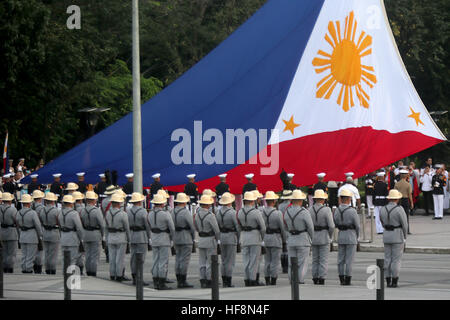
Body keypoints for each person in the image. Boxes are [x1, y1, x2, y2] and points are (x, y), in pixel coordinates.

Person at [283, 190, 314, 285]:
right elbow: (310, 227)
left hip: (291, 239)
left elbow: (285, 227)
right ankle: (299, 280)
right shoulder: (304, 212)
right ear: (300, 200)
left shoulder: (287, 212)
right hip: (303, 239)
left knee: (291, 263)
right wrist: (311, 239)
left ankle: (292, 279)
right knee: (302, 263)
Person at [380, 189, 408, 288]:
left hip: (386, 235)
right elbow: (405, 225)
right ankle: (394, 280)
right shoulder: (399, 209)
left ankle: (387, 280)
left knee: (387, 258)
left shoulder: (383, 209)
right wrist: (405, 237)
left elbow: (381, 221)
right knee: (396, 260)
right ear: (397, 199)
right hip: (397, 235)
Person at [237, 191, 266, 286]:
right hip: (255, 237)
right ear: (252, 201)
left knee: (246, 260)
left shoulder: (240, 212)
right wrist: (262, 238)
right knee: (254, 260)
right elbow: (263, 227)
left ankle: (246, 279)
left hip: (244, 237)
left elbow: (238, 226)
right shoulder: (256, 212)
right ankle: (252, 280)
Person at [148, 193, 175, 289]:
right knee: (163, 261)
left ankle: (155, 280)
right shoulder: (165, 214)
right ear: (162, 204)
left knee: (155, 260)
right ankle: (161, 282)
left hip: (154, 238)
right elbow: (172, 228)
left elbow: (149, 226)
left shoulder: (150, 214)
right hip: (164, 238)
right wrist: (172, 239)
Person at [334, 189, 360, 286]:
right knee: (349, 260)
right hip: (351, 235)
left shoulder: (337, 210)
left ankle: (341, 278)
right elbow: (357, 226)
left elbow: (335, 223)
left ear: (341, 199)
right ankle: (348, 279)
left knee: (340, 259)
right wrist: (357, 237)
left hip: (341, 235)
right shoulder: (352, 211)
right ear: (349, 199)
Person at [194, 194, 220, 289]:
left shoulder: (196, 215)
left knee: (201, 261)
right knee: (209, 262)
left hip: (201, 239)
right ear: (208, 205)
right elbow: (216, 230)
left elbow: (196, 227)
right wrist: (217, 240)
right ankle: (209, 280)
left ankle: (202, 280)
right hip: (210, 239)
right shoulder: (210, 216)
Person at [309, 189, 335, 285]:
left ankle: (315, 277)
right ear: (323, 199)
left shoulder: (310, 209)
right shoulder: (326, 210)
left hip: (313, 236)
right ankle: (322, 277)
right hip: (324, 236)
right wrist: (330, 236)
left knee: (315, 259)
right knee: (323, 259)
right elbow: (331, 226)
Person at [261, 191, 286, 286]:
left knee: (267, 260)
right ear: (274, 201)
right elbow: (282, 228)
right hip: (276, 238)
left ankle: (267, 278)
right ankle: (273, 279)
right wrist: (284, 240)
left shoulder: (262, 212)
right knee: (275, 261)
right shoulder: (278, 213)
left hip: (266, 238)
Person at [171, 192, 195, 288]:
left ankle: (178, 279)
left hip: (176, 236)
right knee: (184, 260)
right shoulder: (185, 212)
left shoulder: (173, 211)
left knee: (178, 259)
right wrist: (192, 237)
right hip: (185, 237)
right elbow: (192, 227)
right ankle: (183, 280)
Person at [105, 192, 130, 282]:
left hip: (111, 237)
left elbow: (106, 226)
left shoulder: (108, 213)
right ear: (119, 203)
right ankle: (119, 275)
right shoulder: (123, 214)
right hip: (121, 237)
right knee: (120, 259)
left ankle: (112, 274)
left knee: (112, 258)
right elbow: (127, 228)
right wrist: (129, 239)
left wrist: (106, 238)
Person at [216, 192, 240, 287]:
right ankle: (228, 281)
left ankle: (224, 279)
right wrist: (238, 239)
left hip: (222, 237)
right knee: (230, 261)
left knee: (224, 260)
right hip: (231, 237)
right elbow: (237, 227)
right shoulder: (232, 212)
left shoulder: (218, 212)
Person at [127, 192, 151, 285]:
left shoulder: (128, 211)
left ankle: (134, 276)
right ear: (140, 201)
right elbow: (147, 225)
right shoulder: (143, 211)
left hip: (132, 235)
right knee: (141, 258)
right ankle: (139, 277)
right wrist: (149, 237)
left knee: (133, 257)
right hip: (141, 236)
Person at [80, 191, 105, 277]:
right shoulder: (96, 211)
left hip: (86, 234)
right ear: (93, 200)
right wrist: (103, 235)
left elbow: (81, 223)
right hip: (95, 234)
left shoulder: (82, 210)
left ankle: (88, 271)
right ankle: (93, 272)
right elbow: (102, 224)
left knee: (87, 255)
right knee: (94, 255)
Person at [17, 194, 43, 273]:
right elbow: (38, 225)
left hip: (22, 235)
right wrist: (40, 235)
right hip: (32, 235)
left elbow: (18, 225)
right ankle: (28, 269)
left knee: (24, 255)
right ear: (29, 203)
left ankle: (24, 268)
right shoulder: (32, 213)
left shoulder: (18, 212)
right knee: (30, 255)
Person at [58, 195, 84, 267]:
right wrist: (81, 238)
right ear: (71, 203)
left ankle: (65, 274)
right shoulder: (74, 213)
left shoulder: (60, 213)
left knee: (64, 259)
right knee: (72, 259)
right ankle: (70, 276)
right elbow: (79, 228)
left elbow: (60, 226)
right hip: (72, 238)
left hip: (63, 237)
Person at [40, 192, 60, 274]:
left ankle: (47, 269)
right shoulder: (56, 211)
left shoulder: (42, 210)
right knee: (53, 254)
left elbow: (41, 221)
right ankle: (52, 269)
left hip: (45, 232)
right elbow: (59, 222)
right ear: (53, 201)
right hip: (54, 233)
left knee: (47, 253)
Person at [0, 192, 18, 273]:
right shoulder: (12, 209)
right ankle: (10, 268)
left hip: (2, 232)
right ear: (9, 201)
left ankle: (4, 267)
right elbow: (16, 221)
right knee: (11, 252)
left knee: (4, 252)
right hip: (11, 232)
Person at [394, 169, 414, 234]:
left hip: (398, 200)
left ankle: (399, 229)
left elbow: (395, 193)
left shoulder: (397, 184)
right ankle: (407, 230)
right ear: (406, 176)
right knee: (406, 216)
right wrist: (411, 203)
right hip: (405, 200)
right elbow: (410, 194)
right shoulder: (408, 184)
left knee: (398, 216)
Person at [31, 190, 45, 274]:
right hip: (39, 228)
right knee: (40, 250)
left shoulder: (31, 206)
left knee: (33, 250)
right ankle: (38, 268)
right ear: (40, 198)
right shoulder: (41, 208)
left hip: (31, 230)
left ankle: (34, 267)